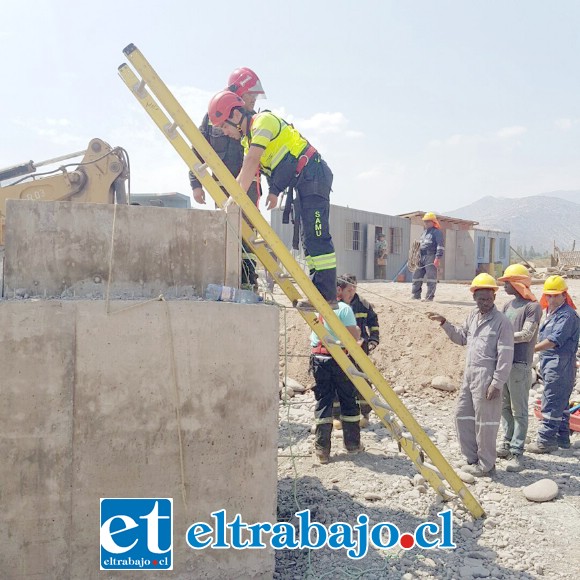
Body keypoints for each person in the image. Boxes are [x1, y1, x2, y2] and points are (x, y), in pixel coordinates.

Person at [207, 90, 336, 309]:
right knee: (308, 239)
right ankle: (320, 294)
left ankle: (327, 296)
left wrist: (233, 202)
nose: (225, 132)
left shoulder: (263, 122)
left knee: (316, 236)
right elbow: (252, 169)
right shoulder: (249, 141)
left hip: (314, 176)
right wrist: (238, 198)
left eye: (224, 127)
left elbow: (252, 161)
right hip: (302, 181)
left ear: (236, 116)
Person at [426, 273, 514, 477]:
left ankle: (487, 466)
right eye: (481, 298)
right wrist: (444, 323)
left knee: (486, 423)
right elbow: (461, 338)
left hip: (487, 376)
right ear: (474, 297)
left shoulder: (502, 322)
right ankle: (472, 459)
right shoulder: (472, 316)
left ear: (494, 297)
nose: (485, 302)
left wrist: (497, 383)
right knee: (462, 415)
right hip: (469, 374)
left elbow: (506, 355)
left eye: (488, 298)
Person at [190, 68, 266, 288]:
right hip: (221, 190)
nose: (253, 100)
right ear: (239, 92)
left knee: (248, 235)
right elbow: (197, 150)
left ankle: (248, 281)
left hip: (249, 188)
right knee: (225, 233)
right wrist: (196, 185)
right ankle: (226, 278)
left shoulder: (256, 120)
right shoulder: (214, 115)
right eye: (251, 95)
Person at [495, 264, 542, 472]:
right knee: (504, 407)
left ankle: (517, 450)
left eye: (507, 282)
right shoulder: (507, 306)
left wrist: (501, 339)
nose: (504, 286)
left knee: (519, 409)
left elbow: (527, 334)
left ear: (517, 284)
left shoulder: (532, 307)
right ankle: (506, 441)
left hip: (520, 363)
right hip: (505, 362)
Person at [528, 276, 579, 454]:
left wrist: (530, 350)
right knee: (562, 403)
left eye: (555, 295)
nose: (551, 299)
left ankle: (545, 440)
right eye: (548, 295)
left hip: (560, 363)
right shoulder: (552, 313)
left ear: (564, 295)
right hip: (552, 362)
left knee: (552, 400)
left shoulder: (567, 315)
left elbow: (553, 341)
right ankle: (562, 438)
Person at [309, 298, 363, 463]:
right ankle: (353, 445)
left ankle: (322, 450)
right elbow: (353, 337)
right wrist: (358, 333)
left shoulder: (317, 307)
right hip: (340, 358)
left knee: (324, 401)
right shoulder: (344, 308)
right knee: (348, 399)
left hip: (318, 357)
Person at [332, 274, 380, 429]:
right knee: (338, 381)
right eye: (349, 288)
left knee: (362, 380)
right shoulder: (335, 305)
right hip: (340, 349)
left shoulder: (364, 305)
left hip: (360, 349)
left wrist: (373, 339)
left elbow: (373, 322)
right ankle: (337, 415)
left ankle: (364, 413)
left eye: (354, 288)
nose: (352, 292)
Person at [411, 212, 444, 302]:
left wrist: (437, 258)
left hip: (431, 256)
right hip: (421, 256)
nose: (426, 223)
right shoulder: (424, 233)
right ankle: (415, 295)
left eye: (428, 221)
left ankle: (429, 297)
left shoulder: (437, 232)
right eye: (425, 221)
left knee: (431, 278)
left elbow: (440, 246)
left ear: (433, 222)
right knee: (416, 276)